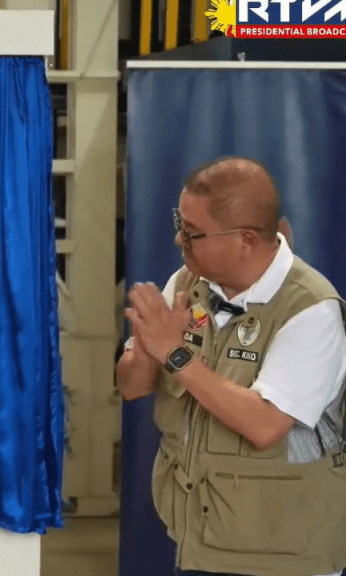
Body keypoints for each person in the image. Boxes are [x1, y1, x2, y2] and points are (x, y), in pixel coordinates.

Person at [117, 156, 346, 576]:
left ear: (245, 239)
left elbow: (265, 425)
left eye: (192, 231)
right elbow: (132, 388)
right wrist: (146, 350)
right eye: (179, 222)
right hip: (200, 537)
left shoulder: (311, 310)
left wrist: (175, 354)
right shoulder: (186, 284)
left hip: (284, 552)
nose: (178, 239)